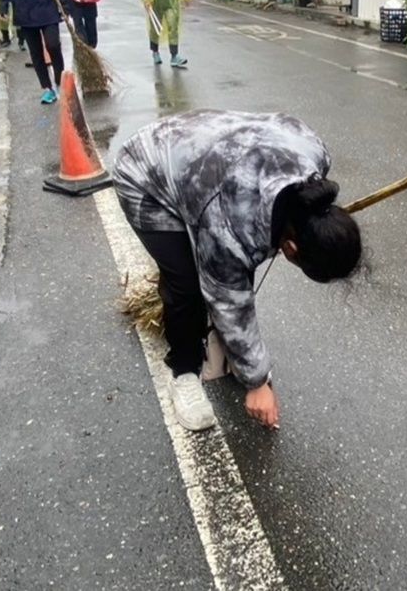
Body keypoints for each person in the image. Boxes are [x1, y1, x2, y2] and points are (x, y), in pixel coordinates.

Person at [113, 110, 363, 432]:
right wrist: (257, 382)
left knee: (236, 258)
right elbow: (230, 298)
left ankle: (229, 346)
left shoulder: (316, 160)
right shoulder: (230, 221)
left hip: (200, 149)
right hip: (146, 172)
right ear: (291, 250)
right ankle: (184, 371)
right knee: (187, 286)